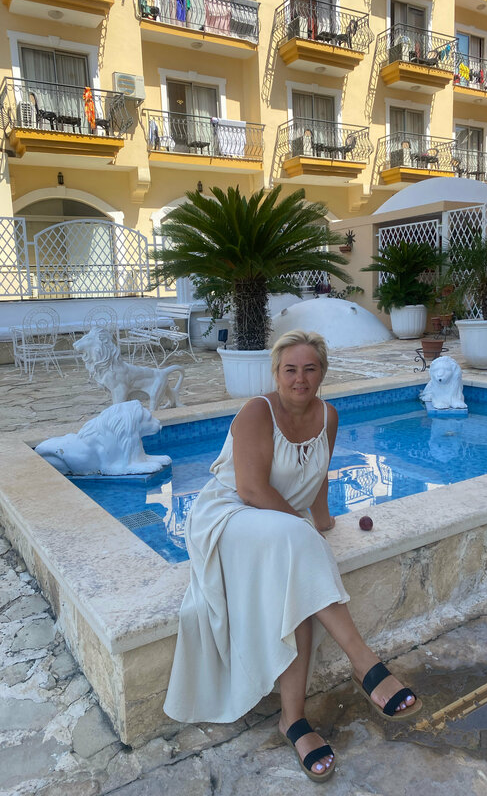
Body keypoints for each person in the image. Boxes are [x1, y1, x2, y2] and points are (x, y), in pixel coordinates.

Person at [164, 329, 422, 782]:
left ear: (322, 373)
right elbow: (250, 489)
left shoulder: (329, 416)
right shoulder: (256, 412)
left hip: (280, 526)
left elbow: (318, 477)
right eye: (290, 370)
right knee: (298, 545)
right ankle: (364, 661)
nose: (299, 379)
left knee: (298, 571)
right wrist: (305, 533)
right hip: (229, 518)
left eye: (309, 369)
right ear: (276, 374)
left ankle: (293, 720)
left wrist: (321, 522)